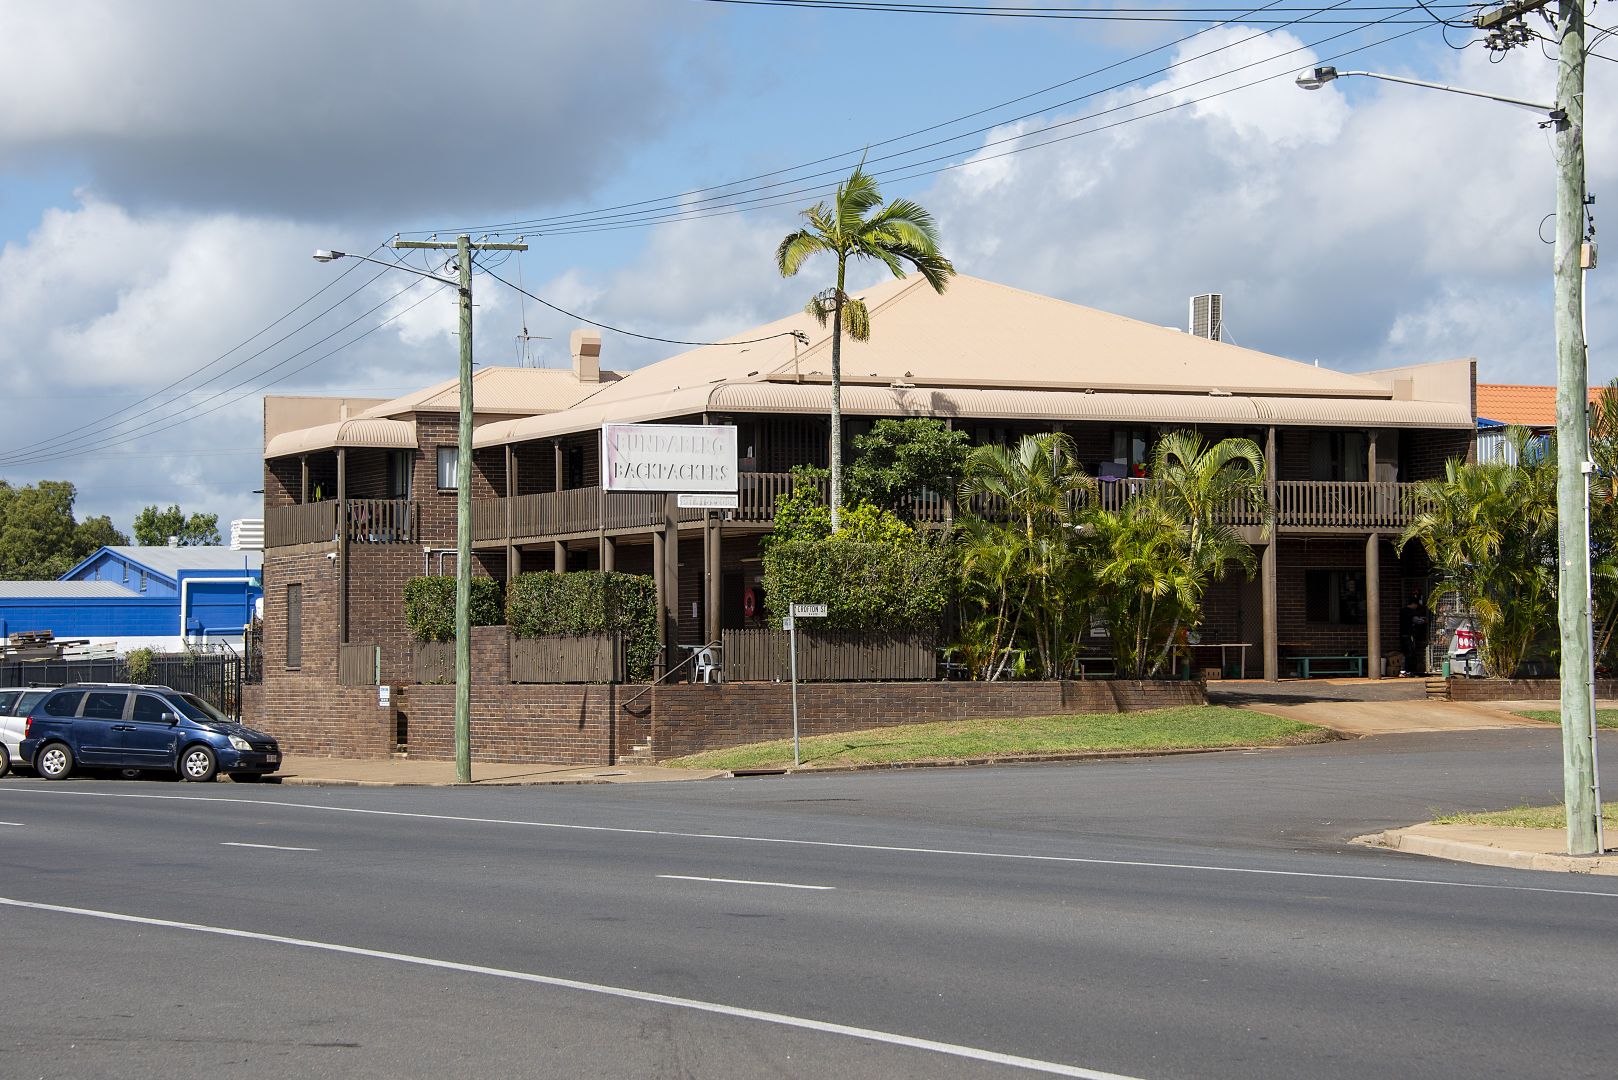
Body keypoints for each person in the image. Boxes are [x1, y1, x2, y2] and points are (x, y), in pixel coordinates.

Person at [1400, 590, 1430, 676]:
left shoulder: (1402, 611)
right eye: (1416, 605)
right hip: (1409, 634)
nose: (1417, 607)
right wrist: (1424, 621)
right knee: (1410, 652)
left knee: (1405, 652)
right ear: (1413, 604)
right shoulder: (1411, 612)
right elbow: (1418, 621)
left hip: (1403, 634)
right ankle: (1407, 671)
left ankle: (1404, 670)